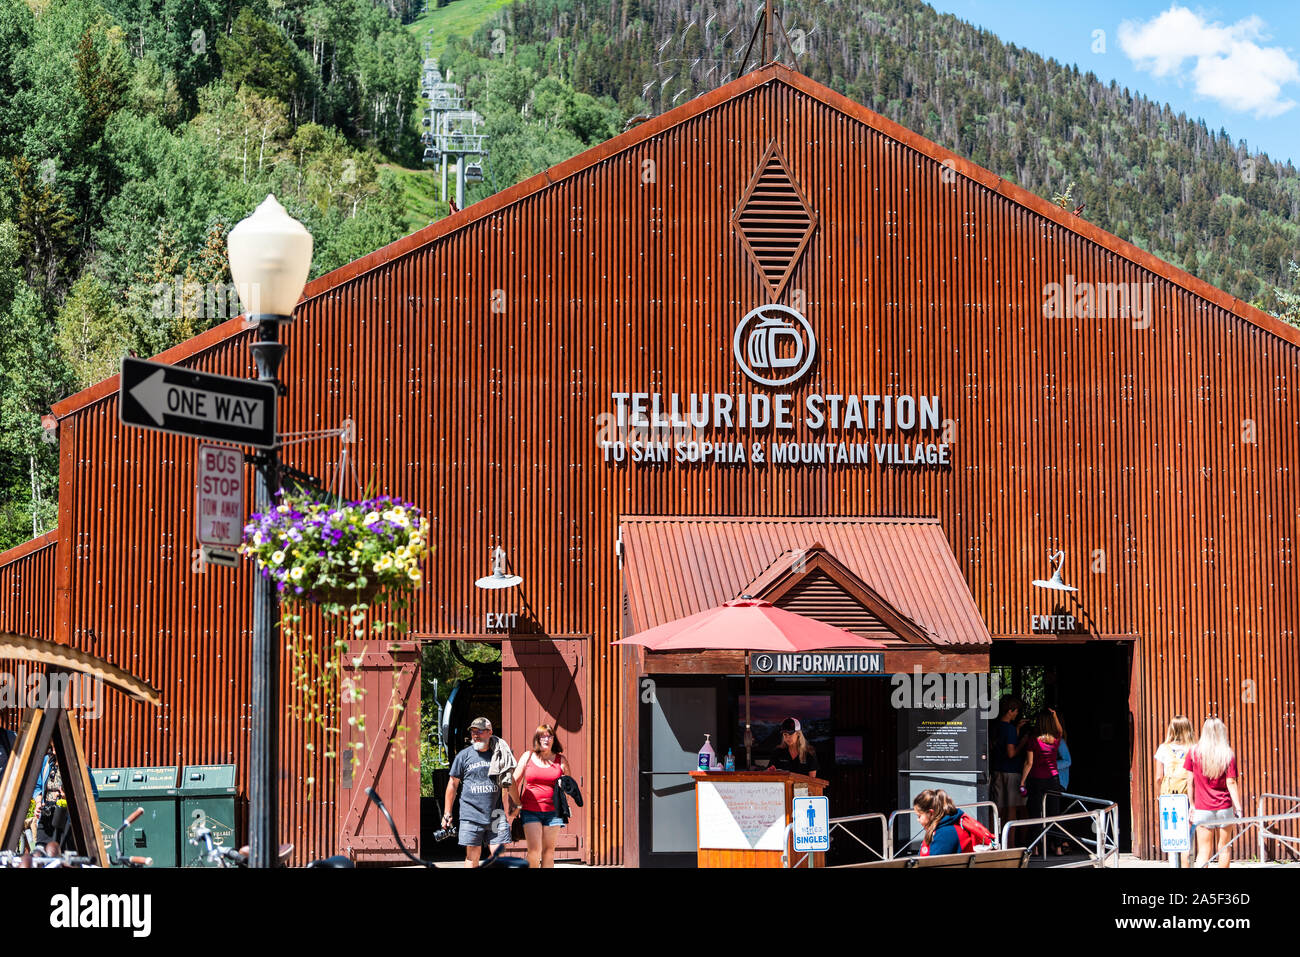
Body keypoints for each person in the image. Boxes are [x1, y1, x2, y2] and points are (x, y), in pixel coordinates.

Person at [443, 717, 514, 868]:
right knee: (472, 855)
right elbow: (452, 785)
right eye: (473, 732)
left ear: (490, 733)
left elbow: (509, 780)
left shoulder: (499, 754)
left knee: (498, 855)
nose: (475, 735)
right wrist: (447, 813)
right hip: (471, 815)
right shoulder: (463, 756)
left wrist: (516, 805)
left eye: (480, 731)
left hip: (496, 813)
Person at [510, 723, 571, 868]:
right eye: (542, 736)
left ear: (553, 739)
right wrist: (516, 803)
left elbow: (569, 788)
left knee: (549, 851)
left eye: (549, 735)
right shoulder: (528, 756)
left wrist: (565, 799)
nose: (546, 739)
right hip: (530, 810)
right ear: (537, 739)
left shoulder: (561, 761)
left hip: (554, 812)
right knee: (534, 850)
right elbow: (513, 782)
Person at [1185, 717, 1243, 868]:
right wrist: (1238, 807)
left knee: (1203, 851)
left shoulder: (1193, 752)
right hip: (1224, 807)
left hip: (1202, 808)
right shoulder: (1227, 754)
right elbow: (1231, 782)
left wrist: (1192, 804)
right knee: (1224, 849)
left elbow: (1189, 782)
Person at [1019, 711, 1065, 854]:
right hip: (1053, 779)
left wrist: (1022, 782)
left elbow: (1029, 763)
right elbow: (1060, 730)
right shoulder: (1056, 739)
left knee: (1035, 813)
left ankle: (1036, 847)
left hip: (1036, 779)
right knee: (1054, 814)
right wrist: (1056, 716)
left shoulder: (1033, 740)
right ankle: (1058, 848)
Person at [1154, 715, 1196, 868]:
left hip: (1169, 796)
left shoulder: (1163, 748)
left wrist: (1159, 794)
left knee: (1172, 835)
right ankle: (1187, 865)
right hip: (1189, 795)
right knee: (1187, 835)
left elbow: (1159, 776)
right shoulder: (1193, 748)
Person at [990, 696, 1028, 834]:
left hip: (997, 769)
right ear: (1010, 711)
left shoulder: (995, 726)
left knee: (997, 807)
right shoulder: (1010, 729)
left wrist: (1016, 729)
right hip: (1011, 772)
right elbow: (1011, 753)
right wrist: (1023, 742)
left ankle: (993, 840)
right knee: (1012, 808)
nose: (1017, 714)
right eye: (1016, 711)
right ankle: (1010, 844)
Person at [913, 788, 966, 856]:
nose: (918, 820)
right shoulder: (947, 827)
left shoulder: (944, 834)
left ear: (931, 813)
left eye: (919, 816)